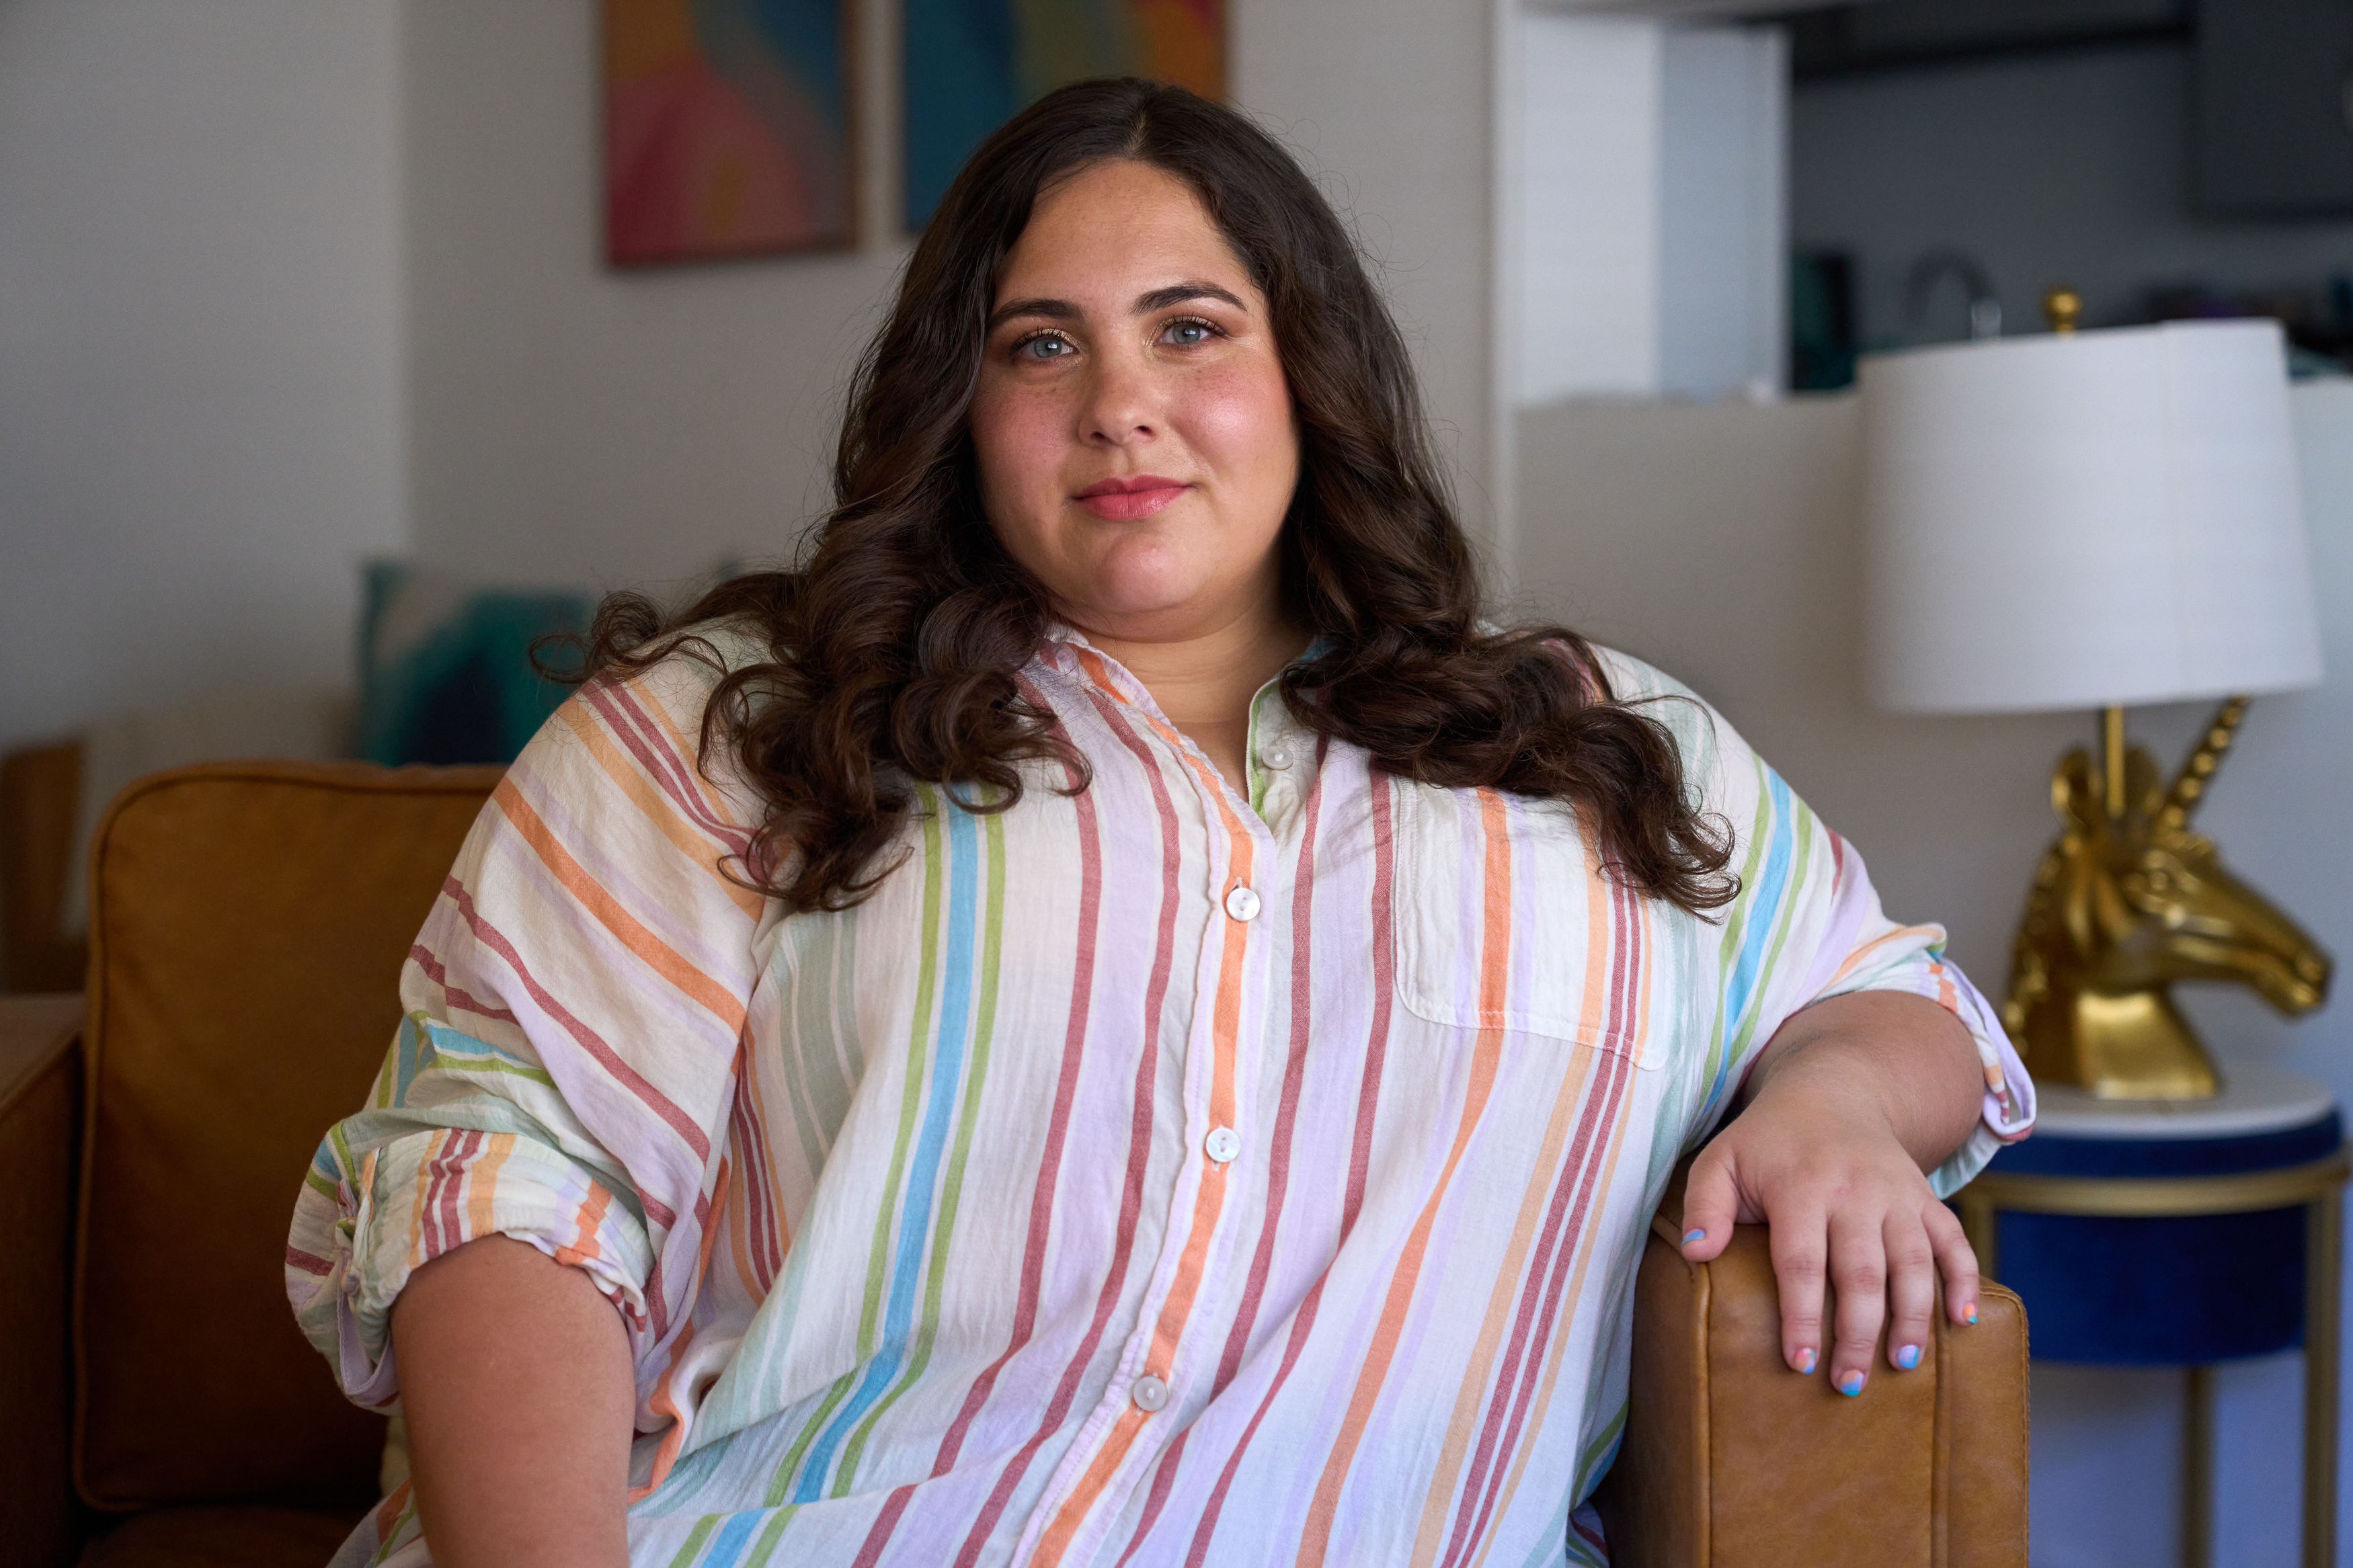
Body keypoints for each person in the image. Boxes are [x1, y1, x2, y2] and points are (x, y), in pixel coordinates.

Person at [288, 77, 2033, 1568]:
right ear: (962, 418)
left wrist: (1826, 1106)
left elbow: (1895, 1002)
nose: (1118, 401)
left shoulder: (1593, 745)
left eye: (1190, 329)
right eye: (1039, 345)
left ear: (1307, 375)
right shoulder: (737, 728)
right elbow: (498, 1184)